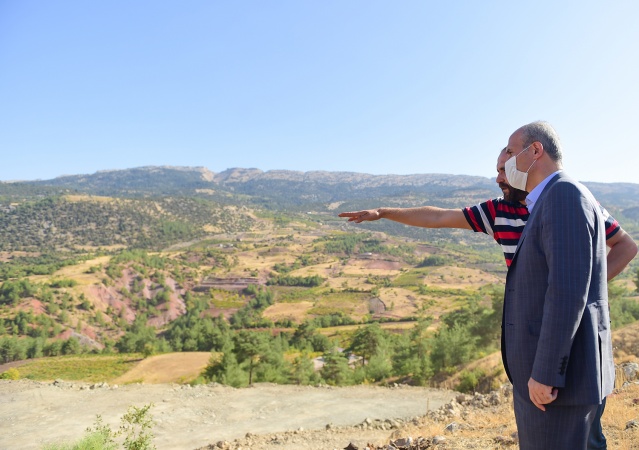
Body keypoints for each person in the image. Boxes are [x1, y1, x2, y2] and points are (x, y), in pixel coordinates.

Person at [338, 144, 637, 449]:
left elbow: (626, 246)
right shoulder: (499, 211)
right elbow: (439, 217)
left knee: (585, 433)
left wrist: (581, 288)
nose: (499, 179)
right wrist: (384, 213)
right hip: (535, 339)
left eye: (504, 170)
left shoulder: (569, 201)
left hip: (573, 335)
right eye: (497, 172)